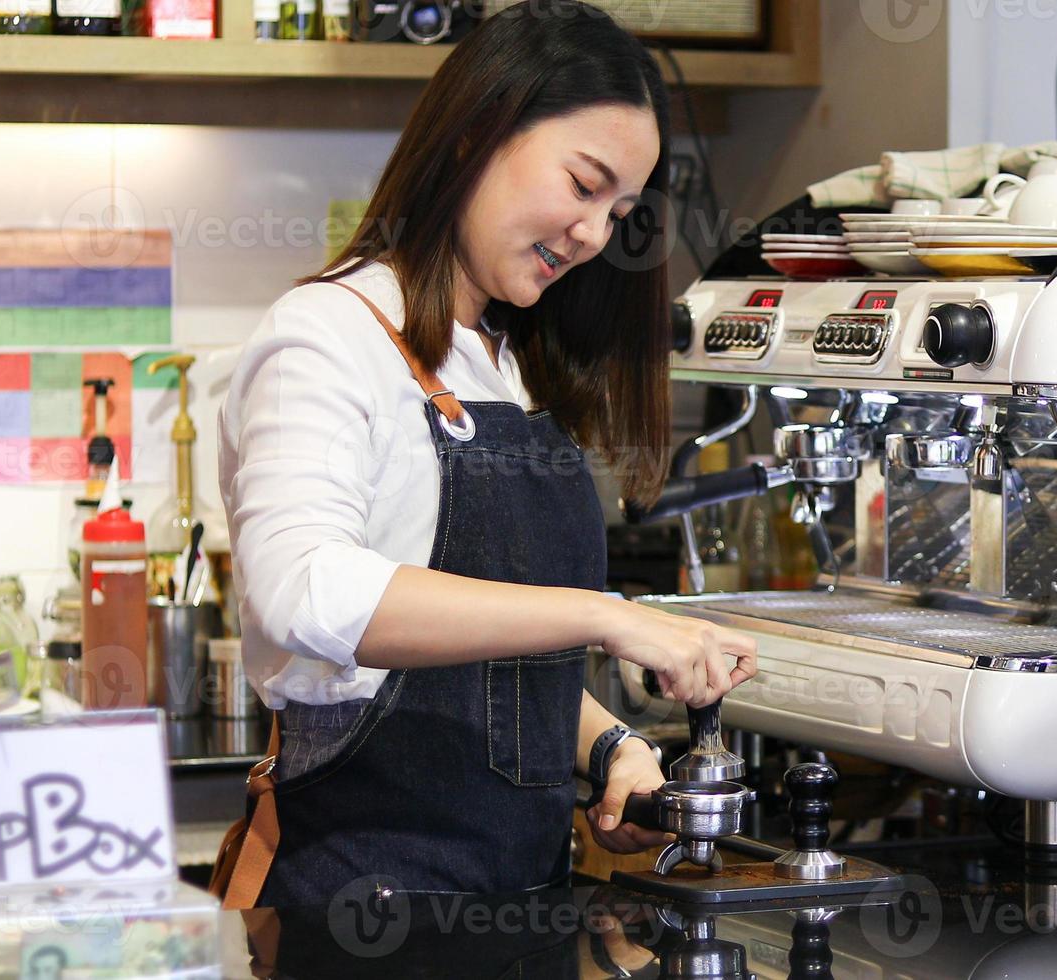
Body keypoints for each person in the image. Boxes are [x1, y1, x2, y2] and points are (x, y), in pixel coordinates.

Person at [217, 2, 756, 908]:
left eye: (619, 210)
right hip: (359, 914)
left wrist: (605, 746)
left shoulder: (505, 362)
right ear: (477, 131)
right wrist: (606, 616)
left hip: (520, 906)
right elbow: (301, 591)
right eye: (583, 184)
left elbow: (475, 678)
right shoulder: (327, 336)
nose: (593, 234)